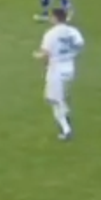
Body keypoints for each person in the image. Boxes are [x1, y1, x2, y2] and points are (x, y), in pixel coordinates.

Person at [35, 8, 84, 141]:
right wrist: (70, 54)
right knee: (61, 97)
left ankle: (66, 130)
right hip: (70, 68)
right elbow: (79, 45)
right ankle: (65, 112)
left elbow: (45, 54)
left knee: (54, 101)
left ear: (56, 18)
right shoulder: (73, 31)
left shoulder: (50, 34)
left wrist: (39, 58)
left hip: (56, 70)